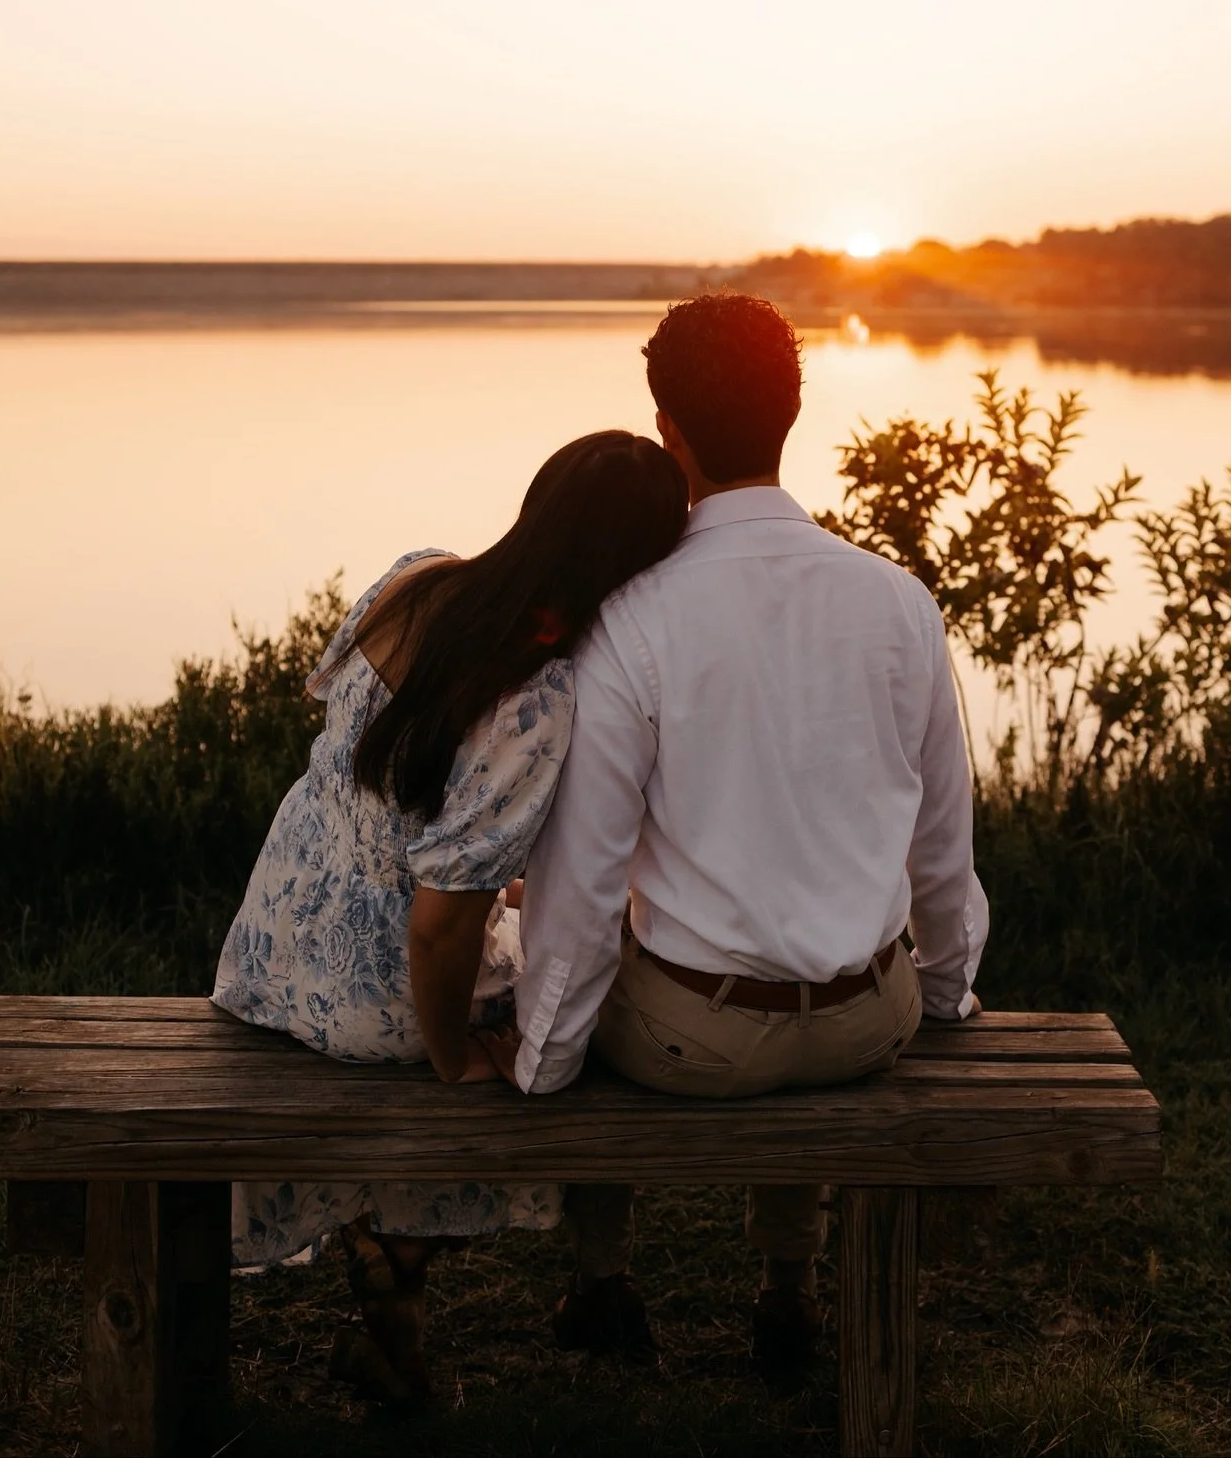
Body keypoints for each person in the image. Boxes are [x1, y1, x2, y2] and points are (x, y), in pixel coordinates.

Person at [514, 294, 988, 1375]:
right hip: (869, 1021)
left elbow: (583, 890)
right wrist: (946, 992)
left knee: (590, 969)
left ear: (668, 429)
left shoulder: (630, 618)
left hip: (694, 1043)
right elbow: (941, 846)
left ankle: (603, 1281)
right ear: (793, 412)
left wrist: (539, 1058)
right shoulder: (899, 602)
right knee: (798, 910)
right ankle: (788, 1288)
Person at [210, 430, 688, 1399]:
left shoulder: (415, 579)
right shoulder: (536, 697)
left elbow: (362, 770)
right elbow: (439, 925)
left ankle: (395, 1309)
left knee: (523, 945)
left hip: (274, 941)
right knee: (574, 1010)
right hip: (377, 991)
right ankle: (423, 1254)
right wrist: (447, 1056)